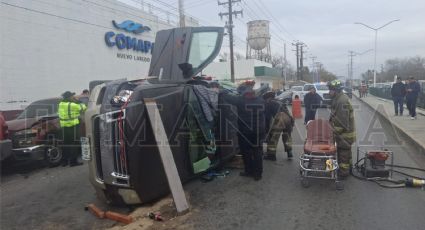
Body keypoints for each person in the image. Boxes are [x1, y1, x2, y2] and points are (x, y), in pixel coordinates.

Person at [223, 86, 265, 181]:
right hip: (259, 131)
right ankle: (258, 174)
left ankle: (249, 171)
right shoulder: (261, 100)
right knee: (257, 151)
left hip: (246, 132)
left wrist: (222, 91)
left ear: (245, 94)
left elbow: (228, 98)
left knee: (246, 152)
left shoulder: (241, 101)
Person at [327, 80, 356, 179]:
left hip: (344, 135)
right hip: (344, 134)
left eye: (330, 90)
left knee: (343, 154)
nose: (328, 92)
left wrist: (331, 133)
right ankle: (349, 168)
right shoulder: (338, 99)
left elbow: (342, 123)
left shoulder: (342, 101)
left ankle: (343, 173)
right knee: (346, 153)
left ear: (336, 90)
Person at [263, 91, 294, 161]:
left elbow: (267, 117)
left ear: (268, 98)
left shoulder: (268, 103)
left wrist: (267, 129)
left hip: (280, 118)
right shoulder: (280, 101)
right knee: (287, 136)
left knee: (273, 138)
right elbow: (287, 111)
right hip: (288, 118)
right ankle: (289, 152)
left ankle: (271, 155)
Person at [58, 91, 87, 166]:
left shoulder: (61, 104)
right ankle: (73, 162)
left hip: (64, 126)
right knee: (74, 144)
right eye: (72, 96)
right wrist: (78, 101)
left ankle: (64, 162)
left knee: (66, 144)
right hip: (73, 126)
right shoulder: (72, 105)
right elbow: (84, 107)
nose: (73, 97)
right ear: (69, 97)